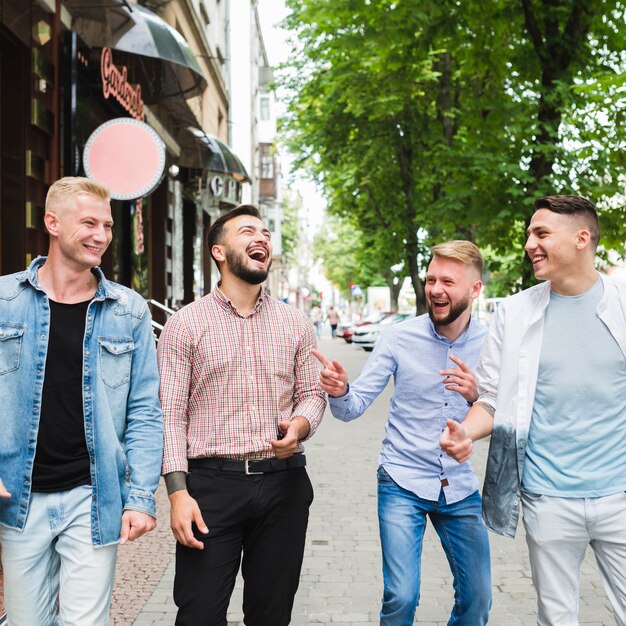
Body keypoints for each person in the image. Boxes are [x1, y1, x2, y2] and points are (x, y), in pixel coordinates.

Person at [441, 195, 626, 625]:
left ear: (582, 238)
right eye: (528, 234)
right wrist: (464, 433)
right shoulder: (515, 311)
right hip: (547, 497)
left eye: (541, 233)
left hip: (619, 494)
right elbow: (491, 398)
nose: (529, 243)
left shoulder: (621, 303)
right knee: (556, 618)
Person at [0, 176, 163, 625]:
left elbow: (146, 411)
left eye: (108, 226)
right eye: (89, 223)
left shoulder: (129, 311)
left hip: (94, 496)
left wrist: (140, 498)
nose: (102, 236)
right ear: (52, 222)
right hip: (19, 496)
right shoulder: (4, 300)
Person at [158, 204, 326, 626]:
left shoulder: (296, 323)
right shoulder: (186, 324)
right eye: (248, 231)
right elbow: (170, 415)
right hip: (211, 487)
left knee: (272, 616)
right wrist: (178, 494)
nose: (262, 239)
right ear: (219, 251)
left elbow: (312, 394)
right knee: (199, 614)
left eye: (266, 234)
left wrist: (300, 426)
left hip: (283, 485)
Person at [314, 240, 491, 626]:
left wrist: (478, 396)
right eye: (431, 279)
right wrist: (342, 390)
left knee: (478, 600)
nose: (436, 289)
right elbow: (354, 405)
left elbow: (504, 415)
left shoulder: (491, 345)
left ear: (475, 289)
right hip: (402, 480)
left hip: (458, 487)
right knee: (401, 596)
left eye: (448, 281)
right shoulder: (399, 337)